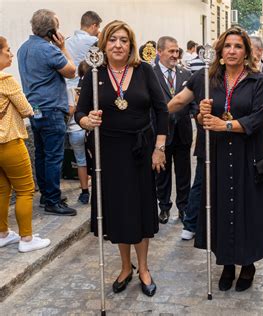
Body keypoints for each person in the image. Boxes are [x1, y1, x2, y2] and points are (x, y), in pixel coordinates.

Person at [168, 26, 263, 292]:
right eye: (227, 46)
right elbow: (194, 112)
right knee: (221, 207)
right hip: (216, 154)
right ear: (220, 51)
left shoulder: (257, 81)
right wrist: (202, 117)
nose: (232, 51)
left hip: (247, 155)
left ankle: (247, 263)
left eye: (238, 46)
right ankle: (227, 263)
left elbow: (259, 117)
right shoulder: (209, 78)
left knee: (246, 209)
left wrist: (225, 125)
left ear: (246, 51)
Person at [75, 20, 169, 297]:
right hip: (109, 154)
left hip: (140, 151)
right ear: (104, 43)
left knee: (139, 209)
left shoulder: (144, 71)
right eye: (113, 39)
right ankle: (125, 267)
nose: (118, 45)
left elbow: (162, 110)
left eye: (124, 40)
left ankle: (143, 267)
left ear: (131, 44)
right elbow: (79, 113)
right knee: (118, 212)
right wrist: (87, 121)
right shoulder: (94, 73)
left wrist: (159, 147)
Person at [17, 9, 77, 216]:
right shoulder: (48, 49)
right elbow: (71, 70)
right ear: (52, 31)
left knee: (42, 154)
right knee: (53, 156)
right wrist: (62, 47)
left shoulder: (23, 48)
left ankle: (46, 194)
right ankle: (52, 199)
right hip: (51, 108)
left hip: (35, 108)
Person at [0, 36, 51, 253]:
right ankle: (27, 239)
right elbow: (26, 108)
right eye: (7, 50)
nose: (11, 54)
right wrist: (31, 110)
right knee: (25, 190)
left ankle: (2, 233)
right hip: (10, 141)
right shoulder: (6, 80)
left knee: (2, 190)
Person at [153, 36, 194, 225]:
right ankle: (164, 207)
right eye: (171, 51)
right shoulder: (151, 74)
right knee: (162, 172)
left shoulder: (186, 74)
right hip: (161, 134)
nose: (175, 55)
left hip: (183, 131)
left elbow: (192, 102)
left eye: (177, 51)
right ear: (159, 51)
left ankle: (184, 207)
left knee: (184, 172)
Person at [65, 10, 102, 204]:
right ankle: (98, 189)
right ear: (94, 26)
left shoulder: (67, 42)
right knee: (97, 154)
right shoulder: (93, 43)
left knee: (79, 154)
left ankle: (84, 191)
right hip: (88, 106)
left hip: (69, 102)